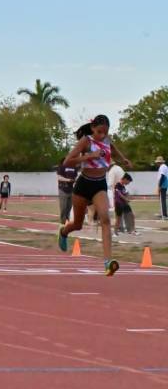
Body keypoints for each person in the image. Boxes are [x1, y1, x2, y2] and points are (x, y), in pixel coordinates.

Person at [57, 115, 132, 276]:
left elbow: (114, 150)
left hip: (99, 185)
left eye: (105, 132)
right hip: (83, 185)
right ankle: (64, 232)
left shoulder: (107, 140)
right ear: (92, 128)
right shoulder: (86, 141)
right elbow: (67, 161)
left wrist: (124, 159)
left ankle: (108, 263)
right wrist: (89, 156)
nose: (102, 135)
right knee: (78, 224)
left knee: (105, 219)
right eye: (99, 132)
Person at [57, 157, 78, 225]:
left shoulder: (74, 168)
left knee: (69, 207)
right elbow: (59, 177)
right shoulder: (62, 167)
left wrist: (76, 181)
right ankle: (62, 223)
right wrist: (68, 180)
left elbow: (75, 177)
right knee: (63, 207)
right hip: (63, 189)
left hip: (71, 189)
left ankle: (67, 221)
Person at [156, 156, 168, 220]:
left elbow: (162, 176)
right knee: (162, 199)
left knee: (162, 200)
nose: (157, 164)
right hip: (164, 185)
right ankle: (163, 213)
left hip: (163, 185)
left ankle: (164, 215)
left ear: (159, 162)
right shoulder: (164, 166)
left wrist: (159, 186)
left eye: (157, 162)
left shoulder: (162, 167)